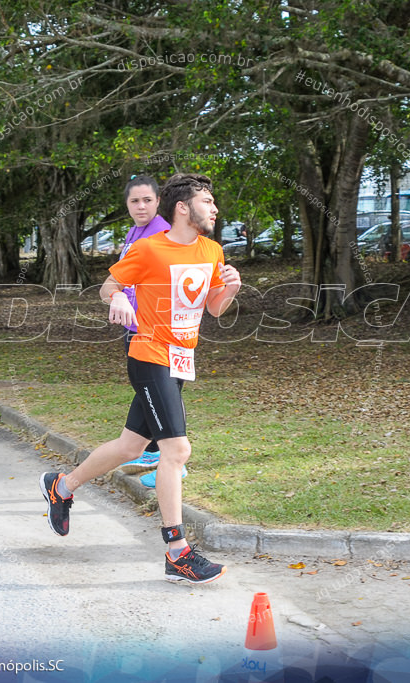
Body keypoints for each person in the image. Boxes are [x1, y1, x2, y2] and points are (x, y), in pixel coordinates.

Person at [40, 173, 241, 584]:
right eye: (208, 201)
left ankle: (62, 485)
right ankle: (177, 552)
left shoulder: (213, 250)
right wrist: (117, 298)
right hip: (150, 355)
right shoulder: (150, 249)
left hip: (181, 359)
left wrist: (231, 289)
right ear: (183, 208)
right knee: (176, 451)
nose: (215, 208)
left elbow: (215, 309)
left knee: (131, 445)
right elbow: (109, 286)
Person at [114, 175, 172, 484]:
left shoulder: (161, 233)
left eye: (147, 200)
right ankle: (154, 452)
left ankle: (161, 453)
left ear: (158, 201)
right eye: (135, 201)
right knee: (145, 391)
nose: (141, 206)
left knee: (156, 391)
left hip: (152, 328)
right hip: (133, 324)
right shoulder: (135, 232)